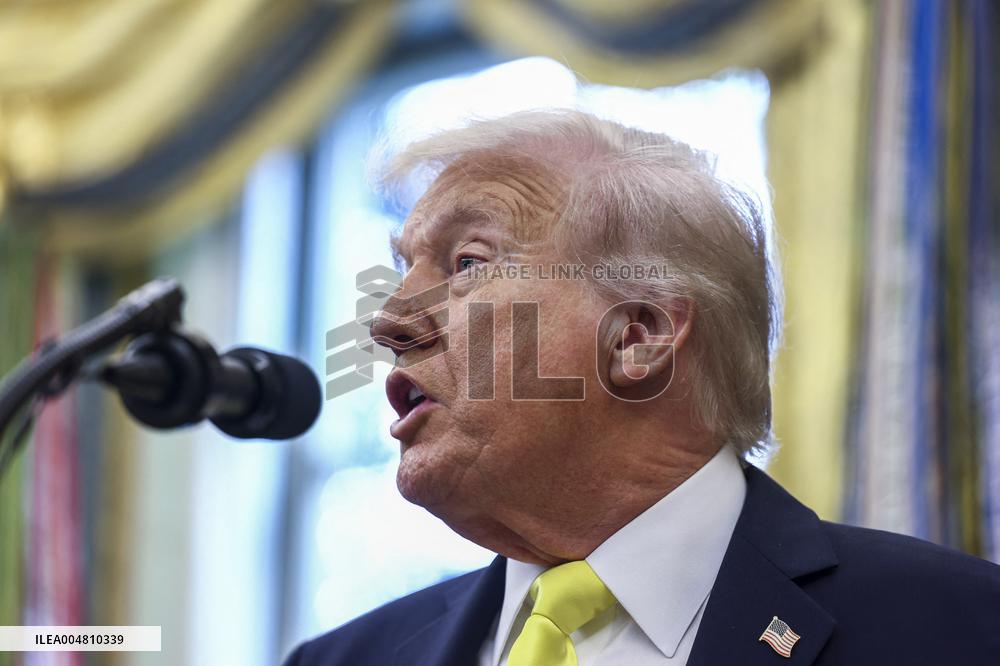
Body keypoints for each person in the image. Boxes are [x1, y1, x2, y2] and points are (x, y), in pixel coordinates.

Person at [285, 110, 1000, 665]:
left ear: (638, 336)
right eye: (401, 268)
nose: (387, 322)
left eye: (467, 262)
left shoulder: (959, 627)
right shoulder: (341, 658)